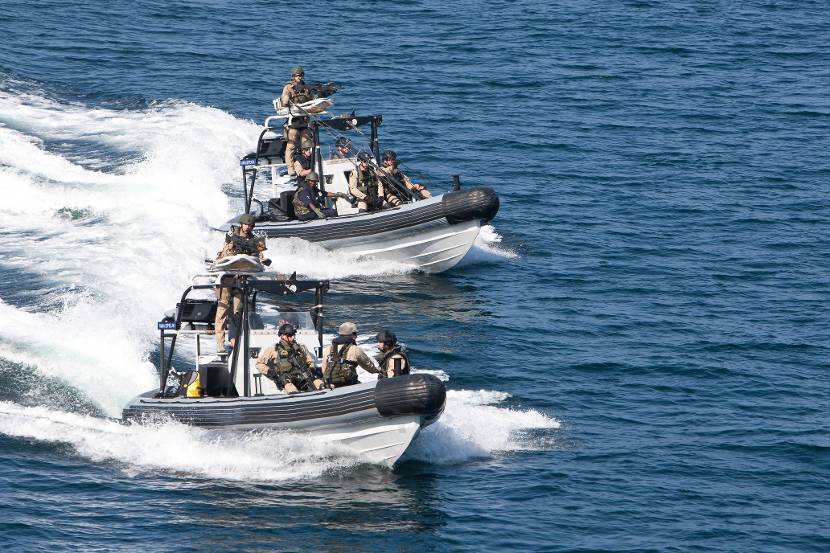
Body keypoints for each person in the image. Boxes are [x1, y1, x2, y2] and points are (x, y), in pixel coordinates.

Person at [214, 213, 268, 352]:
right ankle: (220, 345)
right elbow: (225, 255)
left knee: (238, 311)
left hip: (241, 279)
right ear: (241, 224)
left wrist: (262, 261)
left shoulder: (256, 240)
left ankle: (237, 341)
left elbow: (260, 257)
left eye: (250, 225)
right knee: (222, 310)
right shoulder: (231, 237)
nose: (247, 227)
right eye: (245, 224)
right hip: (227, 278)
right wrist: (237, 253)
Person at [255, 323, 326, 393]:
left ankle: (324, 390)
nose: (293, 337)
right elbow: (259, 364)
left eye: (293, 335)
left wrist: (311, 369)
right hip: (288, 378)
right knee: (288, 384)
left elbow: (310, 361)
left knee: (318, 382)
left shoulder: (301, 347)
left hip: (302, 375)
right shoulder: (273, 350)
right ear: (282, 336)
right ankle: (294, 395)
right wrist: (271, 372)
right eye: (290, 335)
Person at [321, 322, 380, 387]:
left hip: (330, 384)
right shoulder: (355, 349)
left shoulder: (329, 348)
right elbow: (368, 365)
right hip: (348, 384)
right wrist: (379, 371)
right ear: (353, 335)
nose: (356, 336)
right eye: (355, 334)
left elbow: (324, 367)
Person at [281, 66, 314, 173]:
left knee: (307, 146)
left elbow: (312, 100)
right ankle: (290, 168)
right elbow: (284, 101)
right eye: (297, 75)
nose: (299, 77)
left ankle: (309, 167)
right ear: (293, 76)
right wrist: (287, 97)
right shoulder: (289, 87)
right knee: (291, 145)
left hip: (304, 122)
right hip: (293, 122)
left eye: (301, 75)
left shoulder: (306, 87)